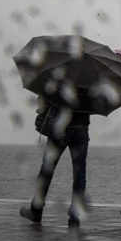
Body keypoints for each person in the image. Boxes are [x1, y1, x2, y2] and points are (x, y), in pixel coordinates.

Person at [20, 94, 91, 225]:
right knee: (80, 173)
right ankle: (75, 215)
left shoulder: (61, 75)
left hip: (60, 128)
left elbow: (47, 97)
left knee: (46, 170)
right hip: (82, 128)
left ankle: (36, 210)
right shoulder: (91, 79)